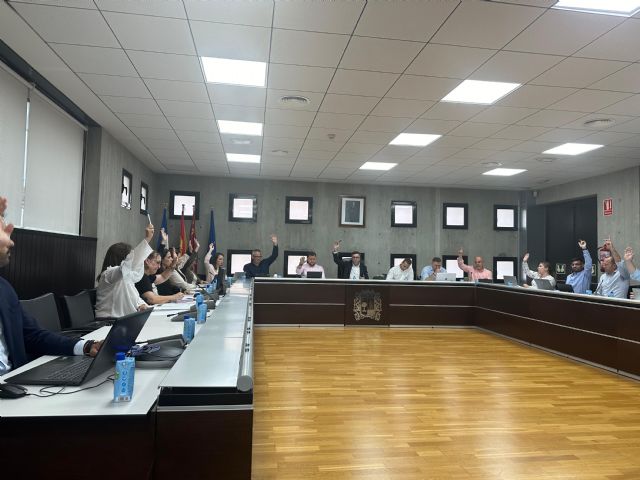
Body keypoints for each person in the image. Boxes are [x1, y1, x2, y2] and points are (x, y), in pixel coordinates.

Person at [0, 196, 101, 375]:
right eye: (2, 229)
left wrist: (86, 347)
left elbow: (33, 336)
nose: (12, 241)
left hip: (13, 384)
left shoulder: (4, 289)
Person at [95, 224, 154, 319]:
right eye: (130, 256)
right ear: (124, 259)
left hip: (123, 320)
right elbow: (127, 265)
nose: (132, 260)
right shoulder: (108, 274)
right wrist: (147, 239)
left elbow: (135, 297)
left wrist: (141, 305)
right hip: (108, 321)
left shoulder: (126, 277)